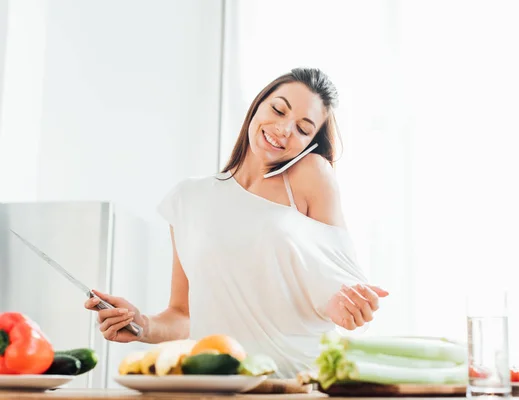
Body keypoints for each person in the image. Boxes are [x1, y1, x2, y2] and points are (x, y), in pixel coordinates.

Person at [85, 67, 389, 377]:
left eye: (303, 128)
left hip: (298, 384)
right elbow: (183, 315)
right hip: (218, 384)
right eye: (278, 109)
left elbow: (338, 285)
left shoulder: (310, 173)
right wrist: (141, 324)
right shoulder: (188, 199)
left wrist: (350, 308)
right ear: (257, 105)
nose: (284, 129)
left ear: (312, 142)